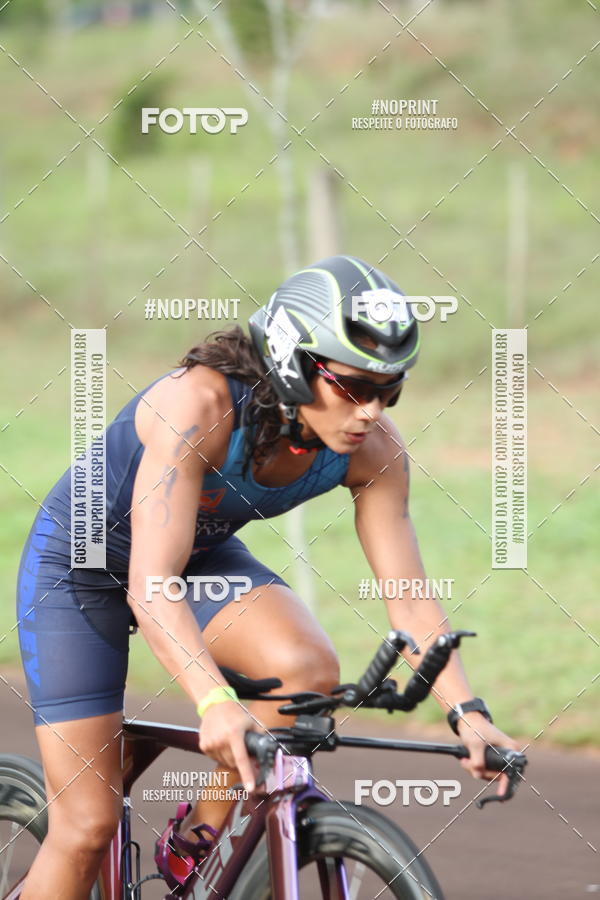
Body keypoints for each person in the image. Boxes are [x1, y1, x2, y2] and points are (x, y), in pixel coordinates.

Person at [16, 255, 520, 898]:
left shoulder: (374, 452)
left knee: (304, 671)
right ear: (291, 361)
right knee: (86, 825)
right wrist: (215, 702)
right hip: (83, 567)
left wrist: (468, 714)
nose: (371, 410)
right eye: (353, 387)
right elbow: (149, 584)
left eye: (389, 390)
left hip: (194, 562)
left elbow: (410, 598)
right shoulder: (197, 404)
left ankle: (194, 840)